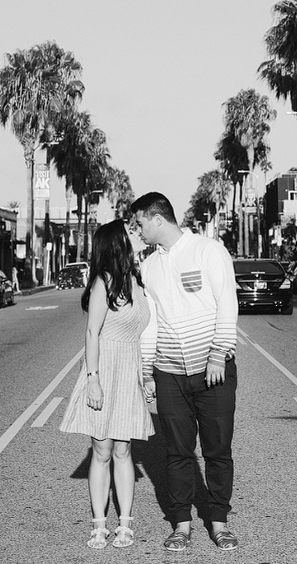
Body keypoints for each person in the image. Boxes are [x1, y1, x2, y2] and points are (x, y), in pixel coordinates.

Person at [131, 192, 240, 552]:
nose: (138, 230)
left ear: (157, 218)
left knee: (217, 450)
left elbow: (227, 303)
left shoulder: (208, 251)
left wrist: (217, 355)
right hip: (169, 374)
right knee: (177, 452)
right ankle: (181, 525)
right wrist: (147, 371)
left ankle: (219, 522)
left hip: (214, 371)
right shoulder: (149, 267)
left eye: (140, 222)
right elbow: (151, 324)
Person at [58, 219, 155, 550]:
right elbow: (92, 333)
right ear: (118, 243)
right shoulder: (104, 282)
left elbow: (141, 334)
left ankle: (125, 523)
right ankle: (99, 524)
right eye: (131, 231)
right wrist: (93, 380)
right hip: (104, 370)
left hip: (128, 369)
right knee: (101, 450)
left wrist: (145, 375)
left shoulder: (135, 280)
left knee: (124, 449)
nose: (137, 233)